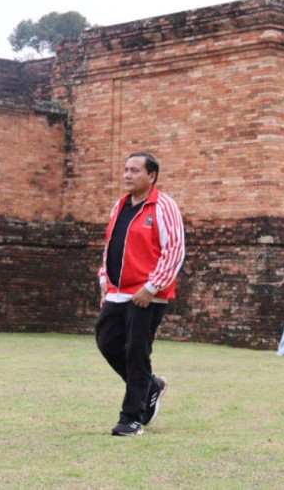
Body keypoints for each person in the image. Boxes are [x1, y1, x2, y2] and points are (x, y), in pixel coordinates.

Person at [96, 152, 186, 437]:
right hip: (118, 292)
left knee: (137, 351)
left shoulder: (163, 206)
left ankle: (131, 418)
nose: (127, 175)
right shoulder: (120, 205)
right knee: (106, 339)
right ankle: (151, 386)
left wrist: (151, 287)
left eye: (134, 170)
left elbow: (174, 251)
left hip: (148, 293)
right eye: (125, 170)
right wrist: (104, 278)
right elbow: (111, 245)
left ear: (151, 176)